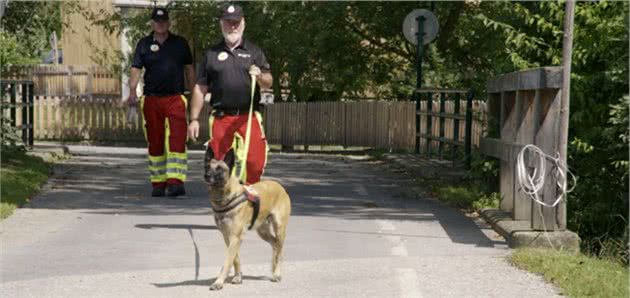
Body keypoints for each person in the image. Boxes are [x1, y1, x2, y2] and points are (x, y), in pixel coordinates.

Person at [188, 4, 272, 185]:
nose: (232, 26)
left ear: (243, 23)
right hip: (221, 117)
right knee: (219, 162)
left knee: (255, 161)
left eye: (236, 22)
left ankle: (248, 193)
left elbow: (268, 81)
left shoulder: (254, 52)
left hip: (248, 117)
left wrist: (260, 77)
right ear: (221, 24)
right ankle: (227, 199)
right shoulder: (211, 54)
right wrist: (194, 119)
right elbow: (200, 88)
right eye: (228, 22)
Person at [127, 7, 195, 197]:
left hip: (175, 97)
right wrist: (132, 91)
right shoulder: (143, 44)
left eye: (164, 21)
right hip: (151, 99)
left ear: (169, 23)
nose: (161, 24)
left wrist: (194, 91)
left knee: (177, 139)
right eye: (157, 21)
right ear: (152, 23)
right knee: (155, 140)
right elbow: (135, 69)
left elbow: (189, 69)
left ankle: (175, 182)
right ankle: (158, 183)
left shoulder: (180, 44)